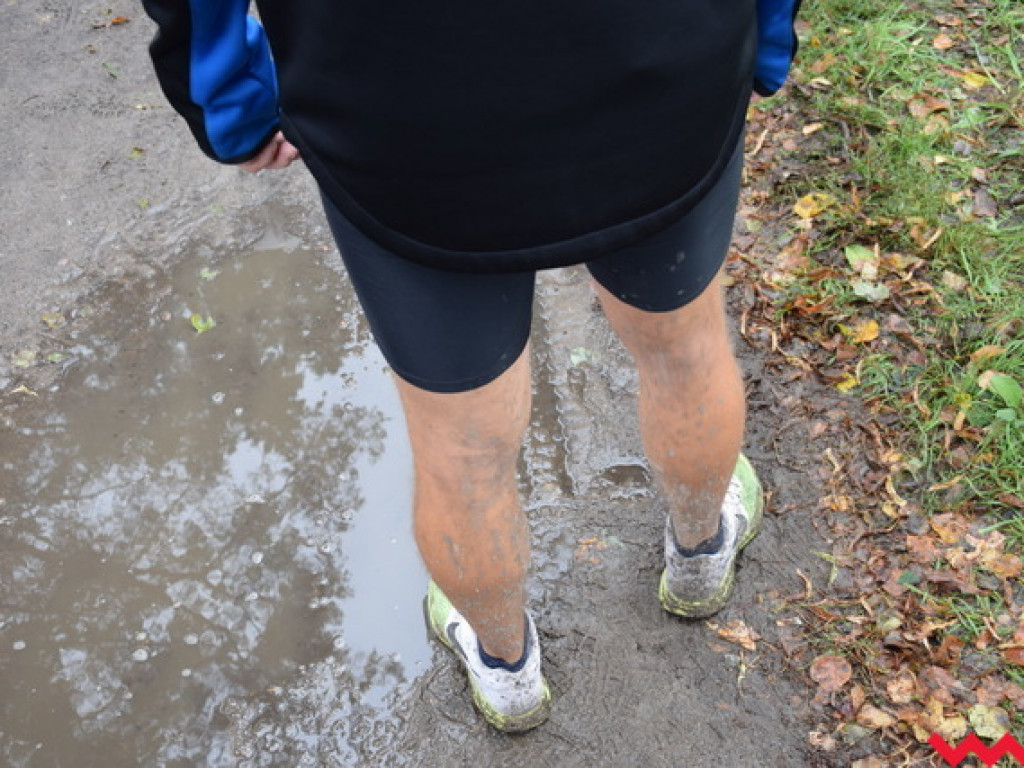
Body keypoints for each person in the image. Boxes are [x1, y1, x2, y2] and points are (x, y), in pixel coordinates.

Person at [142, 0, 800, 733]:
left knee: (462, 443)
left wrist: (232, 105)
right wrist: (769, 32)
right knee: (683, 352)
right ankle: (701, 555)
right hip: (662, 69)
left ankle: (506, 667)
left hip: (406, 115)